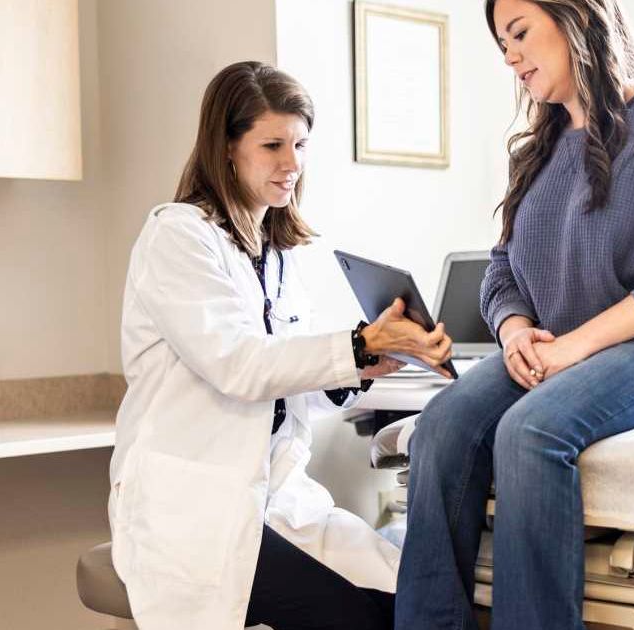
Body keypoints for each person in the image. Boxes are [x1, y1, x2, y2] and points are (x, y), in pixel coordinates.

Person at [395, 1, 634, 628]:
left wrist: (571, 349)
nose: (510, 57)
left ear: (578, 19)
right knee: (442, 424)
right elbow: (501, 270)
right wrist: (514, 332)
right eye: (502, 42)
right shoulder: (540, 149)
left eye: (520, 33)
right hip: (559, 350)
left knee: (530, 432)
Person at [107, 60, 452, 630]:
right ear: (227, 148)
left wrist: (367, 367)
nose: (292, 163)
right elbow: (240, 367)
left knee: (407, 601)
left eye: (301, 144)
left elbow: (289, 396)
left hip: (277, 501)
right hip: (195, 512)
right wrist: (357, 345)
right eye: (272, 145)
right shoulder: (177, 236)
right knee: (354, 619)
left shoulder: (277, 256)